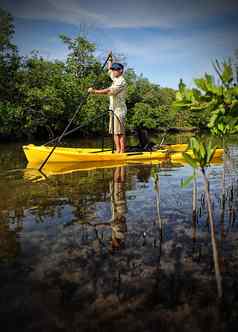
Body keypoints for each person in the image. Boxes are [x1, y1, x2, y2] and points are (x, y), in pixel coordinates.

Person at [88, 52, 127, 153]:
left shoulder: (121, 81)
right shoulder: (115, 77)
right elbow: (109, 70)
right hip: (112, 109)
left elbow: (109, 91)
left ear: (121, 71)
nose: (113, 71)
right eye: (113, 70)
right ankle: (118, 150)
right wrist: (110, 59)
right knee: (114, 131)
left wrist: (94, 91)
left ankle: (121, 152)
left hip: (119, 111)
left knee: (119, 132)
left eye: (115, 70)